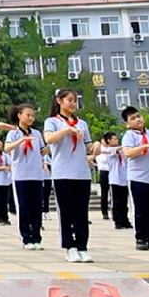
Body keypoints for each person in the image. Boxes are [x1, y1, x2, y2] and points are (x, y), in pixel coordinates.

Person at [43, 88, 97, 263]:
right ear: (59, 101)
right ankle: (70, 247)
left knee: (82, 213)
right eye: (69, 100)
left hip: (82, 173)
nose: (73, 104)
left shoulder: (82, 124)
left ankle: (82, 246)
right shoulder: (52, 122)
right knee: (66, 212)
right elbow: (49, 139)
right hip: (62, 173)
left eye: (75, 100)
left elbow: (88, 147)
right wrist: (67, 130)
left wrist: (96, 147)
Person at [121, 107, 149, 251]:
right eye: (133, 118)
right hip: (137, 177)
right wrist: (144, 146)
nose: (137, 120)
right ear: (127, 123)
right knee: (141, 210)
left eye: (138, 116)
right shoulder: (130, 135)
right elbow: (128, 152)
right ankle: (141, 238)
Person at [7, 103, 48, 250]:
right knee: (24, 207)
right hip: (20, 175)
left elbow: (43, 151)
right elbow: (7, 148)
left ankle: (36, 237)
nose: (31, 118)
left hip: (36, 175)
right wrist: (21, 141)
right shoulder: (13, 133)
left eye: (32, 115)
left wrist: (52, 142)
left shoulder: (36, 133)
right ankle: (26, 237)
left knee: (36, 207)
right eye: (28, 115)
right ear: (19, 116)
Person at [98, 132, 130, 230]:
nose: (117, 141)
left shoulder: (122, 151)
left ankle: (125, 220)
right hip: (114, 179)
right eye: (114, 139)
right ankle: (118, 221)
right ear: (109, 141)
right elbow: (110, 150)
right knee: (116, 202)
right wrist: (125, 146)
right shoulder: (107, 150)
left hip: (124, 178)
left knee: (124, 202)